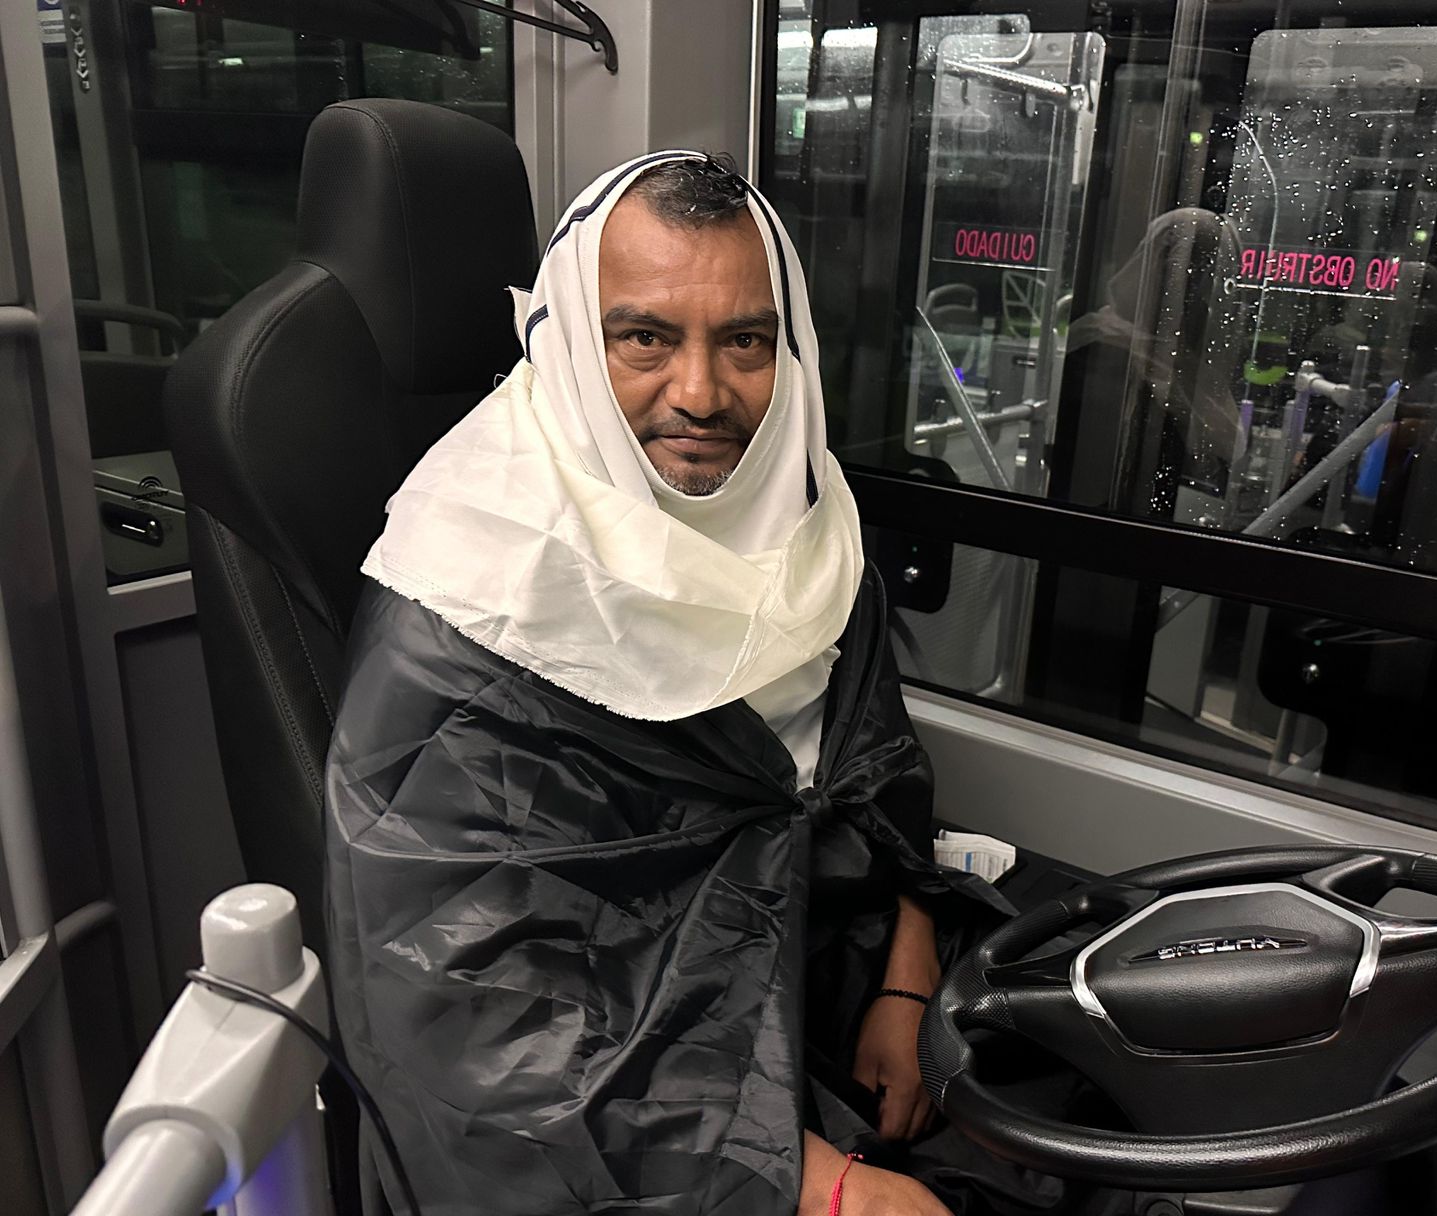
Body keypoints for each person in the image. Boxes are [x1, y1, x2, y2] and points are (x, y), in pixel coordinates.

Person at [323, 153, 1061, 1216]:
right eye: (645, 338)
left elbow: (872, 776)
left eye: (745, 341)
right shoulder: (467, 602)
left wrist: (905, 978)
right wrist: (825, 1187)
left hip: (819, 981)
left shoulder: (802, 515)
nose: (702, 394)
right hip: (631, 1106)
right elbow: (475, 1020)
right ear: (572, 342)